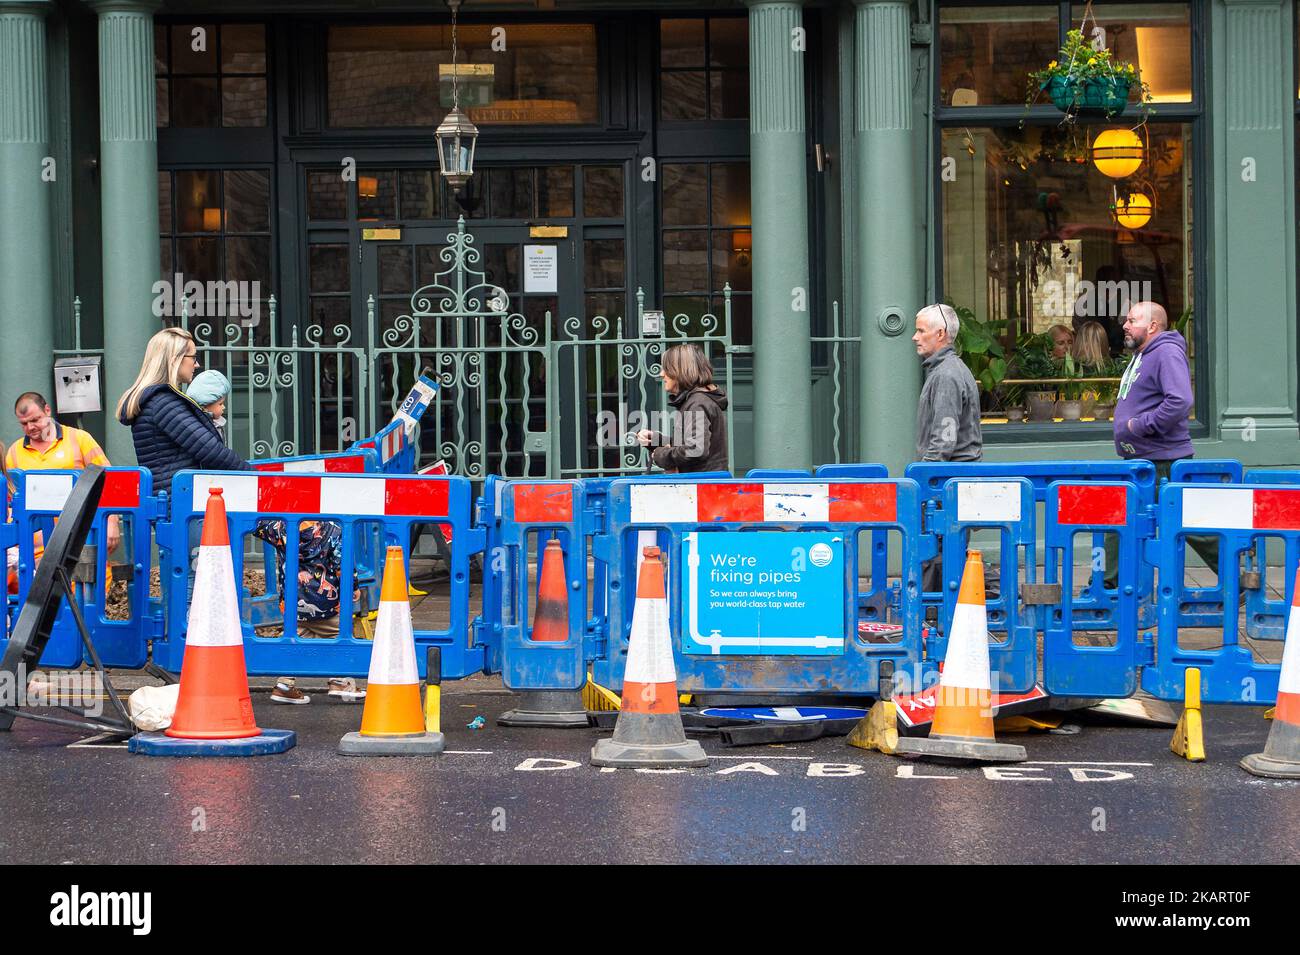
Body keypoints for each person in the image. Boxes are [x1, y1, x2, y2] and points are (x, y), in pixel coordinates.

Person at [1104, 301, 1217, 587]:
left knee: (1186, 522)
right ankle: (1111, 584)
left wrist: (1138, 426)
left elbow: (1180, 401)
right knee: (1125, 516)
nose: (1125, 326)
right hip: (1145, 458)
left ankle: (1238, 574)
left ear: (1152, 326)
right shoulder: (1143, 354)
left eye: (1132, 320)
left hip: (1162, 460)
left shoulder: (1165, 352)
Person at [115, 327, 249, 494]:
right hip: (177, 507)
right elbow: (211, 451)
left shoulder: (159, 401)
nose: (197, 364)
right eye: (193, 357)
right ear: (175, 359)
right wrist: (260, 481)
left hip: (172, 500)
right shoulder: (163, 404)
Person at [912, 304, 983, 597]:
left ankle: (932, 618)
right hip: (953, 482)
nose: (915, 337)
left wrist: (925, 483)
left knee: (937, 554)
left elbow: (944, 439)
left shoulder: (945, 375)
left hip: (946, 484)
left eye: (921, 331)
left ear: (940, 334)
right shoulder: (949, 371)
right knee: (946, 553)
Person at [6, 391, 120, 562]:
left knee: (89, 584)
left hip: (79, 542)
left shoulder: (79, 439)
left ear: (47, 410)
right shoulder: (14, 451)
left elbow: (108, 480)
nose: (30, 427)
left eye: (35, 420)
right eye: (24, 423)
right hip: (32, 549)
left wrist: (112, 522)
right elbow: (9, 499)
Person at [635, 343, 730, 473]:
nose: (662, 374)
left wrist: (661, 455)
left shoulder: (697, 403)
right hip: (704, 485)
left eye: (666, 369)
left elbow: (695, 449)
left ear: (680, 371)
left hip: (702, 487)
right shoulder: (698, 401)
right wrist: (657, 440)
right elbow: (693, 444)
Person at [185, 369, 231, 443]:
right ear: (205, 406)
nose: (224, 407)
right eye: (220, 404)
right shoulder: (200, 427)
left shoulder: (214, 423)